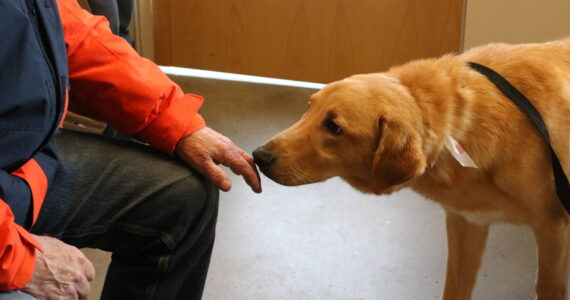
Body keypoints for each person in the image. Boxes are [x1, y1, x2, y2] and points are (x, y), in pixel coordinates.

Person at [0, 0, 262, 299]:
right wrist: (16, 258)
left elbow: (69, 34)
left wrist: (176, 122)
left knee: (182, 195)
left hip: (21, 168)